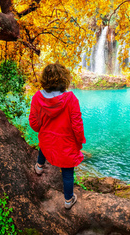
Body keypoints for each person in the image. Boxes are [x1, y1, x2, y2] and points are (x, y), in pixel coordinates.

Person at [29, 63, 86, 210]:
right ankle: (68, 200)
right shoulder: (71, 99)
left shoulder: (37, 97)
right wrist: (79, 142)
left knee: (44, 143)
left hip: (47, 141)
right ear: (64, 80)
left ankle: (39, 167)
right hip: (66, 144)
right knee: (67, 174)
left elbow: (34, 123)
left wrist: (42, 128)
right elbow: (77, 125)